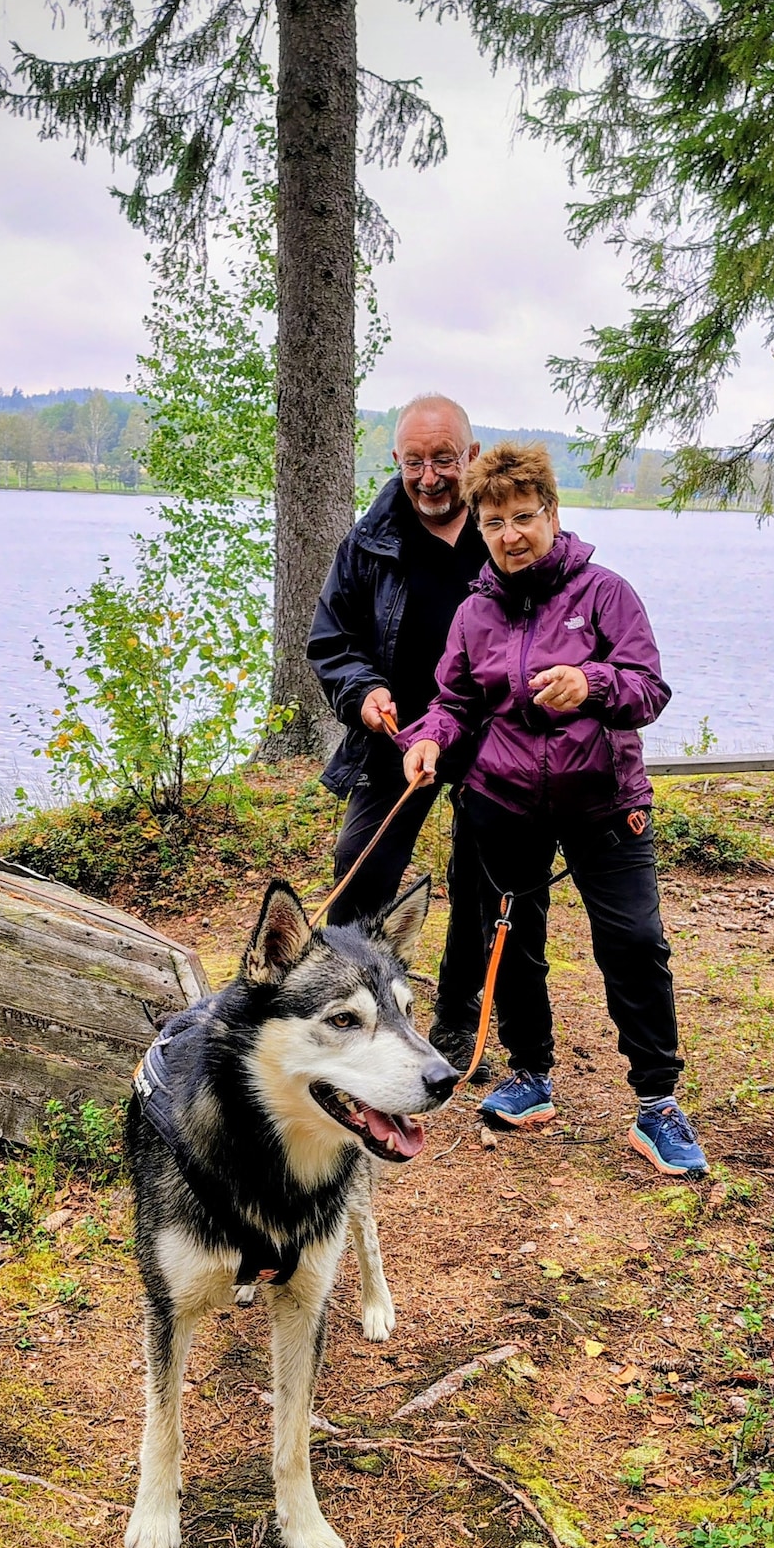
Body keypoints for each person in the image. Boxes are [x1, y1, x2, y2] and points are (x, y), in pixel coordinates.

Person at [398, 439, 708, 1176]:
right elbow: (455, 700)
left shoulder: (605, 593)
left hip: (606, 803)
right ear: (480, 525)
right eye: (495, 520)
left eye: (524, 516)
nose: (511, 534)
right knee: (510, 942)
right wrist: (428, 740)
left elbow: (648, 689)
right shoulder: (475, 613)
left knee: (633, 941)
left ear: (552, 513)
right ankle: (531, 1073)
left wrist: (593, 683)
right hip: (504, 802)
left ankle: (657, 1101)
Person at [307, 393, 492, 1076]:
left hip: (486, 740)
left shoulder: (500, 528)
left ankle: (458, 1021)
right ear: (396, 461)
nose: (431, 475)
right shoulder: (370, 538)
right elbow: (332, 639)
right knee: (362, 874)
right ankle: (351, 1011)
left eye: (445, 458)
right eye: (415, 460)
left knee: (482, 882)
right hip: (397, 737)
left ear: (470, 456)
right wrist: (364, 691)